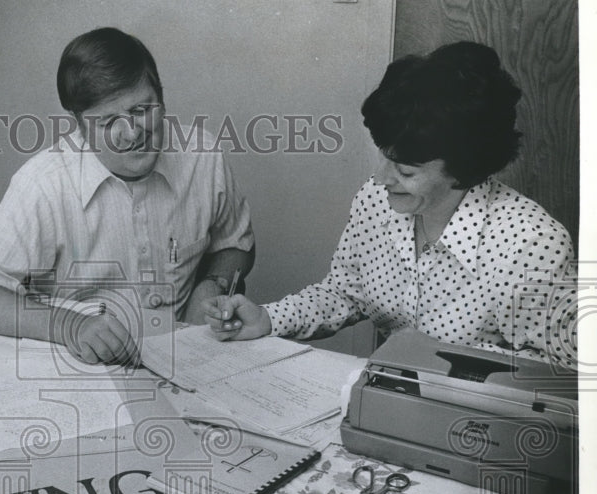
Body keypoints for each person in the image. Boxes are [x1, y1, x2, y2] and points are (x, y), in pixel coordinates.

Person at [204, 41, 576, 369]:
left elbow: (555, 369)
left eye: (405, 169)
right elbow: (345, 293)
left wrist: (441, 362)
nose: (381, 177)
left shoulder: (531, 243)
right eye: (384, 157)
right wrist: (267, 319)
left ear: (464, 168)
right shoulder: (376, 201)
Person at [0, 27, 255, 365]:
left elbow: (237, 245)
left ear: (161, 97)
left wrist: (213, 284)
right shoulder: (42, 184)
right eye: (108, 121)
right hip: (85, 367)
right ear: (80, 126)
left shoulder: (204, 155)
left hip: (188, 356)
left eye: (142, 110)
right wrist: (70, 325)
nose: (131, 133)